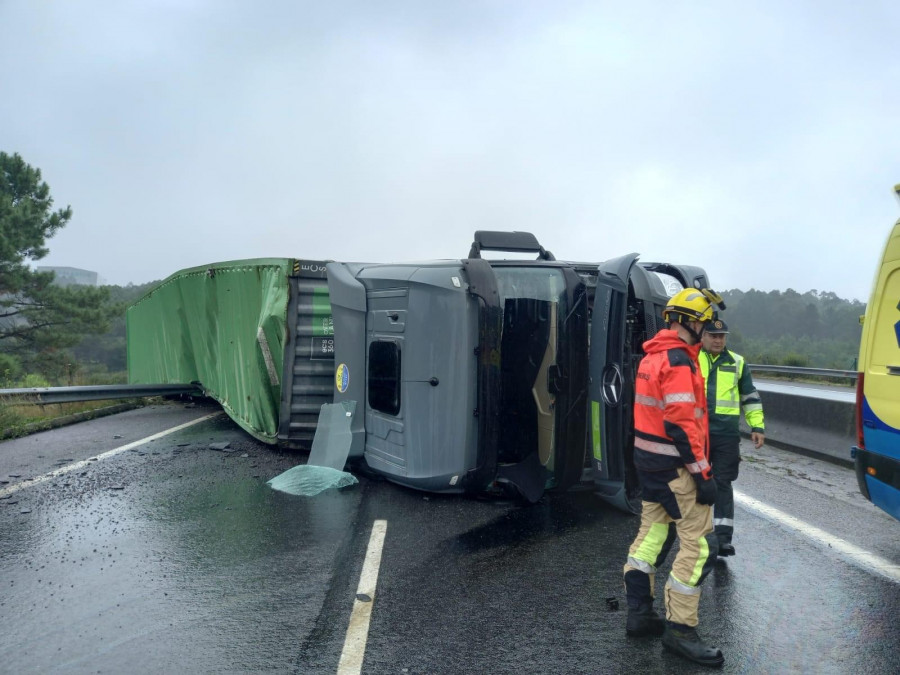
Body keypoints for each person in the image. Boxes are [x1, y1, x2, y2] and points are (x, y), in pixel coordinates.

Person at [623, 288, 725, 668]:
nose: (704, 327)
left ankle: (639, 615)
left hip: (649, 466)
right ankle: (680, 632)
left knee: (651, 535)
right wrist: (704, 475)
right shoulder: (680, 361)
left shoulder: (651, 356)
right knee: (700, 547)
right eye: (701, 321)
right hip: (677, 470)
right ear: (685, 321)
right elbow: (682, 425)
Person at [699, 319, 765, 557]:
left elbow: (750, 396)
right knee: (696, 481)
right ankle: (696, 535)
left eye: (722, 336)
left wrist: (756, 426)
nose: (718, 340)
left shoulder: (737, 362)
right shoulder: (693, 358)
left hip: (726, 434)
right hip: (698, 432)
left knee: (723, 483)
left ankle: (722, 539)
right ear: (703, 336)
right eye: (713, 336)